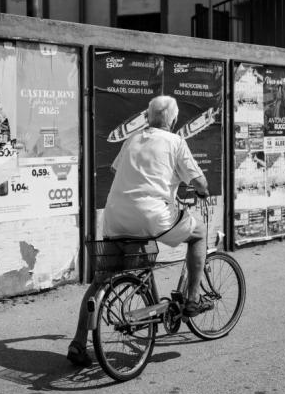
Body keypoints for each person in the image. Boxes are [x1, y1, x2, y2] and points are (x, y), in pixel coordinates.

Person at [67, 95, 211, 367]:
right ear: (174, 120)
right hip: (151, 216)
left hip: (115, 217)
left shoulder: (130, 140)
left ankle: (78, 342)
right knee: (199, 233)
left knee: (101, 281)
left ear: (148, 117)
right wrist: (201, 190)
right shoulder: (176, 142)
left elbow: (115, 169)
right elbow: (200, 182)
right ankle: (193, 299)